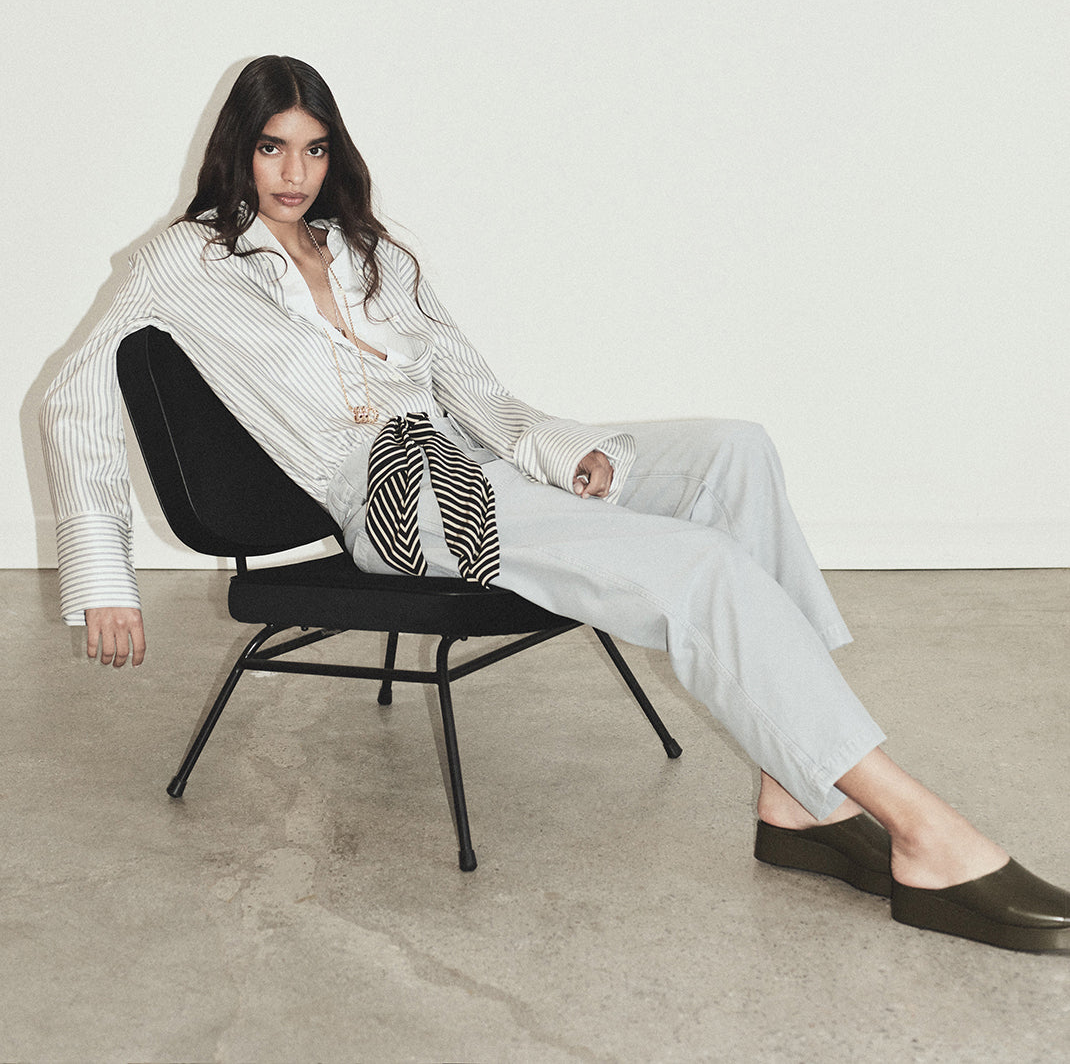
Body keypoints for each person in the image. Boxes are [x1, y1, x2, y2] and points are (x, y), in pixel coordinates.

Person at [40, 55, 1068, 955]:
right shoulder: (186, 259)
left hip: (471, 466)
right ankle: (919, 832)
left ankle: (793, 789)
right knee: (699, 568)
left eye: (313, 149)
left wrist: (562, 453)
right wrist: (103, 570)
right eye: (272, 149)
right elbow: (74, 391)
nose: (295, 175)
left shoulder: (374, 254)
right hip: (394, 499)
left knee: (734, 454)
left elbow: (477, 391)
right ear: (236, 152)